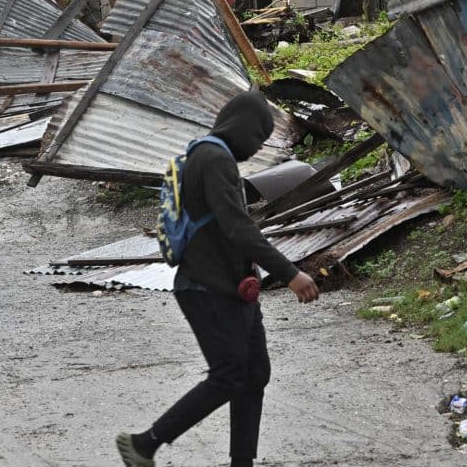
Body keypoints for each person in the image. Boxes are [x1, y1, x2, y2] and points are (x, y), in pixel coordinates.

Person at [116, 91, 320, 467]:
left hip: (233, 289)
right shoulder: (213, 159)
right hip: (207, 290)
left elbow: (228, 228)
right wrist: (289, 273)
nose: (257, 147)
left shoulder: (207, 157)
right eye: (258, 138)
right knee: (228, 374)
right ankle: (144, 444)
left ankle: (242, 462)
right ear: (242, 127)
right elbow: (237, 226)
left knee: (254, 374)